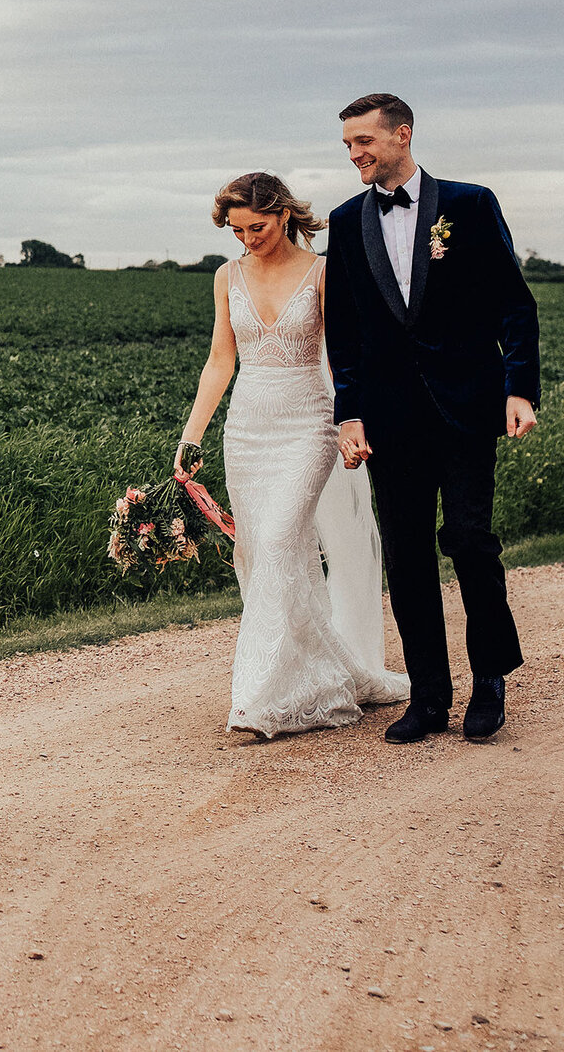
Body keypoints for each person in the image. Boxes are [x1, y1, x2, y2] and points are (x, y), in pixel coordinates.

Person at [325, 93, 539, 744]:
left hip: (467, 407)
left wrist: (519, 388)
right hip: (390, 421)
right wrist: (349, 416)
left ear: (402, 135)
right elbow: (346, 332)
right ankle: (428, 697)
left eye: (364, 141)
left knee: (471, 541)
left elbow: (514, 305)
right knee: (408, 556)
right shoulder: (344, 222)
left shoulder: (470, 206)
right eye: (348, 146)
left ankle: (491, 678)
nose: (355, 154)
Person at [177, 171, 409, 737]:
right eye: (236, 230)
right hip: (248, 431)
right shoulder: (226, 276)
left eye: (256, 226)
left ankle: (260, 696)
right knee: (264, 555)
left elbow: (341, 357)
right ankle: (326, 672)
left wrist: (352, 423)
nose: (247, 239)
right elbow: (219, 362)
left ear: (283, 215)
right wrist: (191, 436)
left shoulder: (324, 272)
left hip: (309, 424)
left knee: (281, 540)